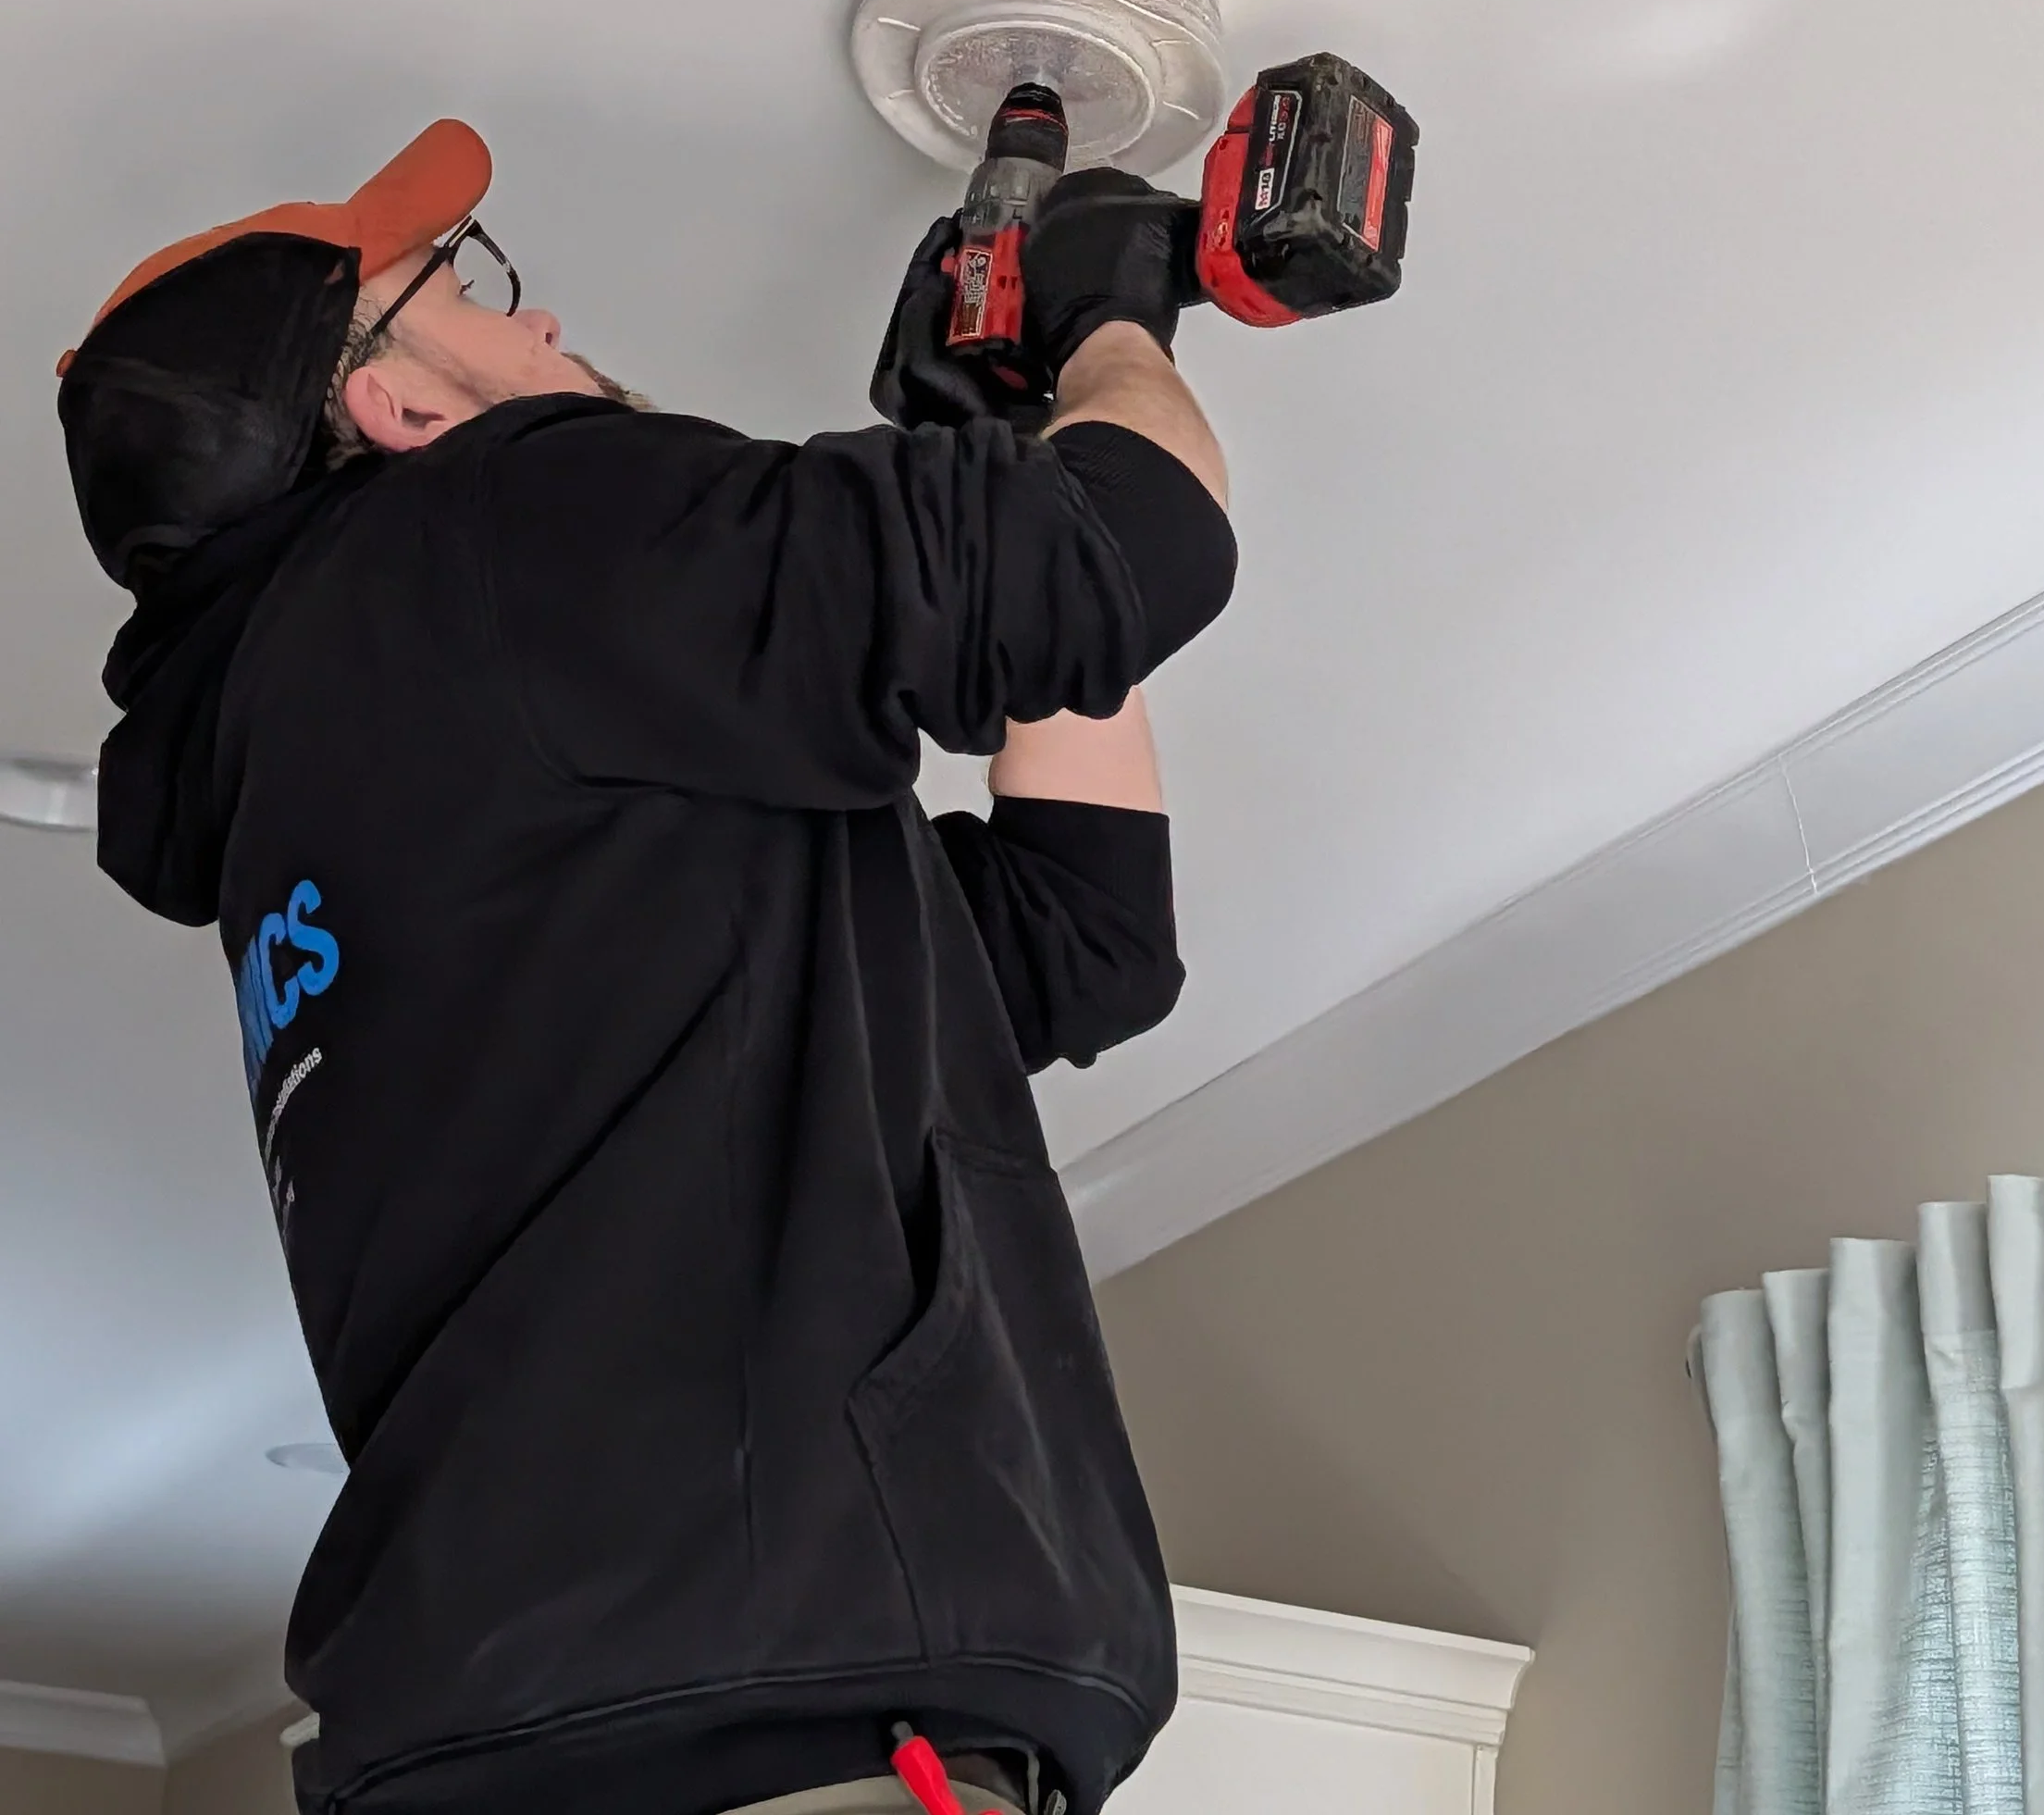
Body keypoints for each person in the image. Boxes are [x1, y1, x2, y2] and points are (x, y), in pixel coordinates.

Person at [56, 117, 1237, 1815]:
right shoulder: (495, 516)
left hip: (664, 1716)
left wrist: (1004, 472)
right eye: (470, 295)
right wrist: (1103, 335)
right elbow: (1136, 542)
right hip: (751, 1712)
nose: (538, 335)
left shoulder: (360, 781)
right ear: (394, 409)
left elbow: (1070, 946)